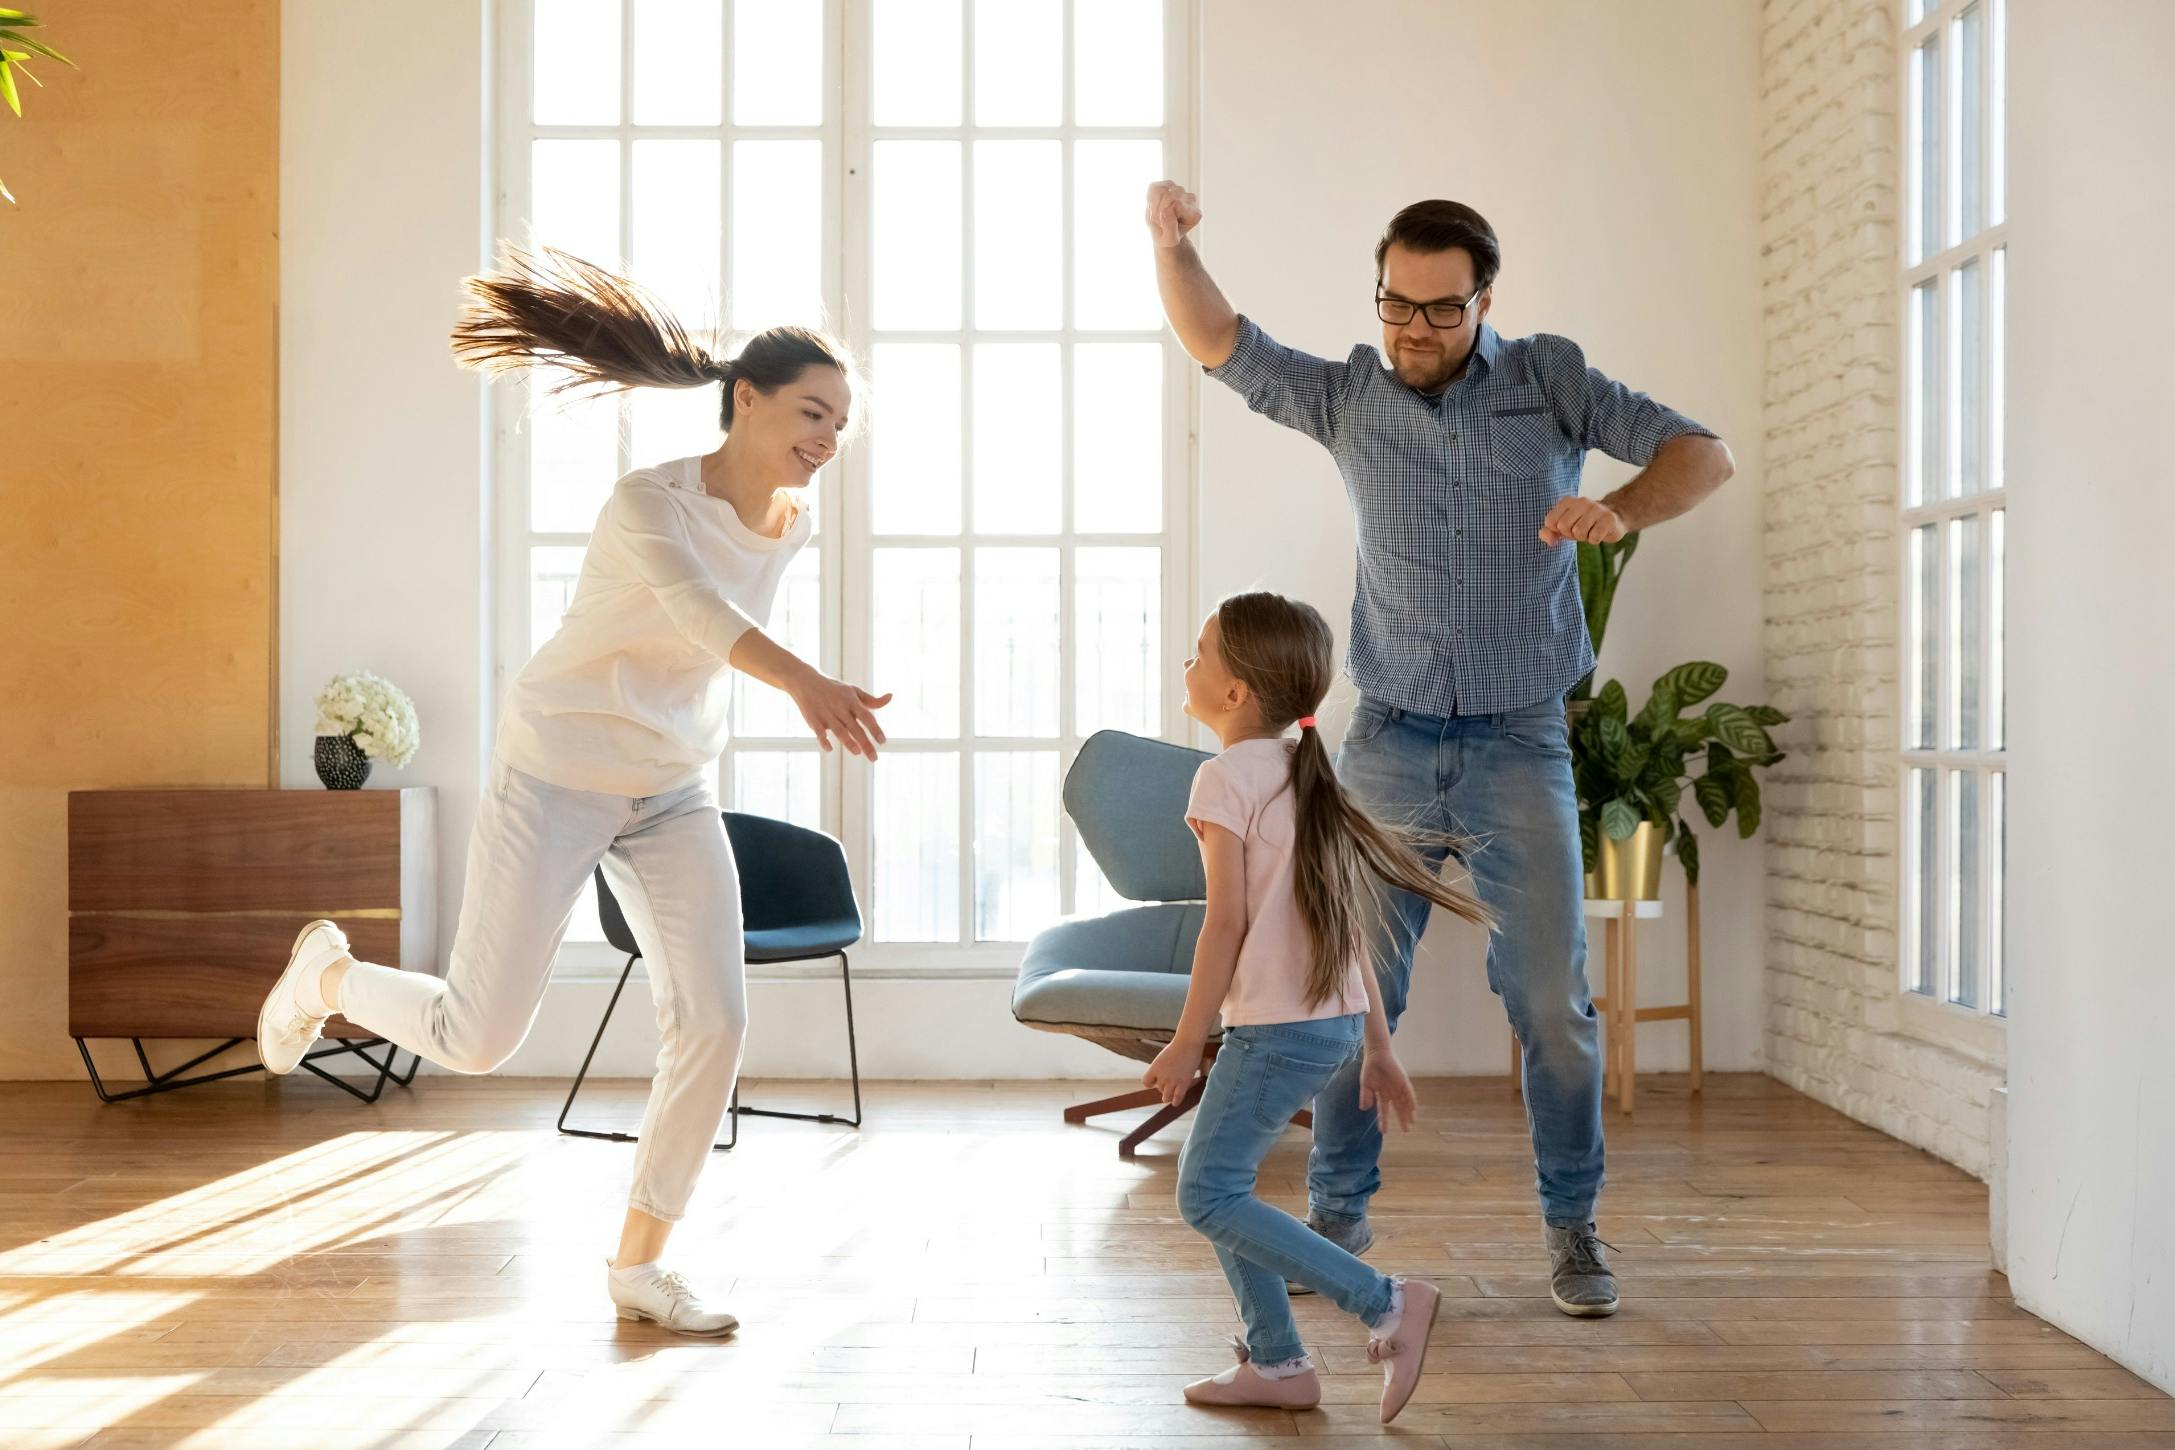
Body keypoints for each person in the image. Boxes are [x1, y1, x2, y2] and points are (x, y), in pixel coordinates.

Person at [256, 245, 890, 1336]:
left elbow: (699, 649)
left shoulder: (795, 519)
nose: (828, 441)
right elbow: (701, 619)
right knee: (477, 1035)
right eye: (812, 413)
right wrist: (808, 685)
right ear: (747, 399)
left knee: (716, 1019)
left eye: (842, 425)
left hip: (670, 787)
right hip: (554, 769)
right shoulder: (645, 505)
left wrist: (786, 692)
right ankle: (332, 977)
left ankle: (641, 1266)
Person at [1148, 182, 1735, 1317]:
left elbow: (1700, 455)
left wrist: (1619, 509)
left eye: (1440, 312)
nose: (1414, 332)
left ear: (1484, 301)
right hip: (1391, 740)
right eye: (1396, 307)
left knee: (1553, 1002)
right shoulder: (1348, 396)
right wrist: (1170, 245)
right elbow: (1220, 342)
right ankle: (1337, 1217)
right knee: (1347, 988)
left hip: (1522, 738)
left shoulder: (1549, 378)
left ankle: (1572, 1226)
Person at [1147, 591, 1492, 1423]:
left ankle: (1382, 1302)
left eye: (1198, 653)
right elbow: (1351, 931)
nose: (1184, 667)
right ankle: (1277, 1364)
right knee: (1225, 1185)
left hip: (1274, 1032)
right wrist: (1376, 1044)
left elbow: (1223, 922)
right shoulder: (1312, 775)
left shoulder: (1223, 776)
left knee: (1207, 1196)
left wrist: (1187, 1037)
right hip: (1326, 1025)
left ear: (1234, 695)